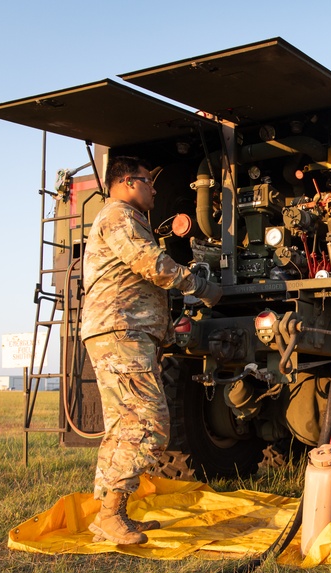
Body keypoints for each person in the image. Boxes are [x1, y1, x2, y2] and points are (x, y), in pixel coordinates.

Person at [81, 155, 222, 545]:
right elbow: (149, 262)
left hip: (121, 331)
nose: (154, 189)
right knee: (150, 422)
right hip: (121, 332)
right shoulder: (119, 215)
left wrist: (167, 331)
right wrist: (195, 284)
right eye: (148, 181)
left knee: (123, 425)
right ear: (127, 181)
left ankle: (108, 516)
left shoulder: (120, 217)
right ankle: (111, 514)